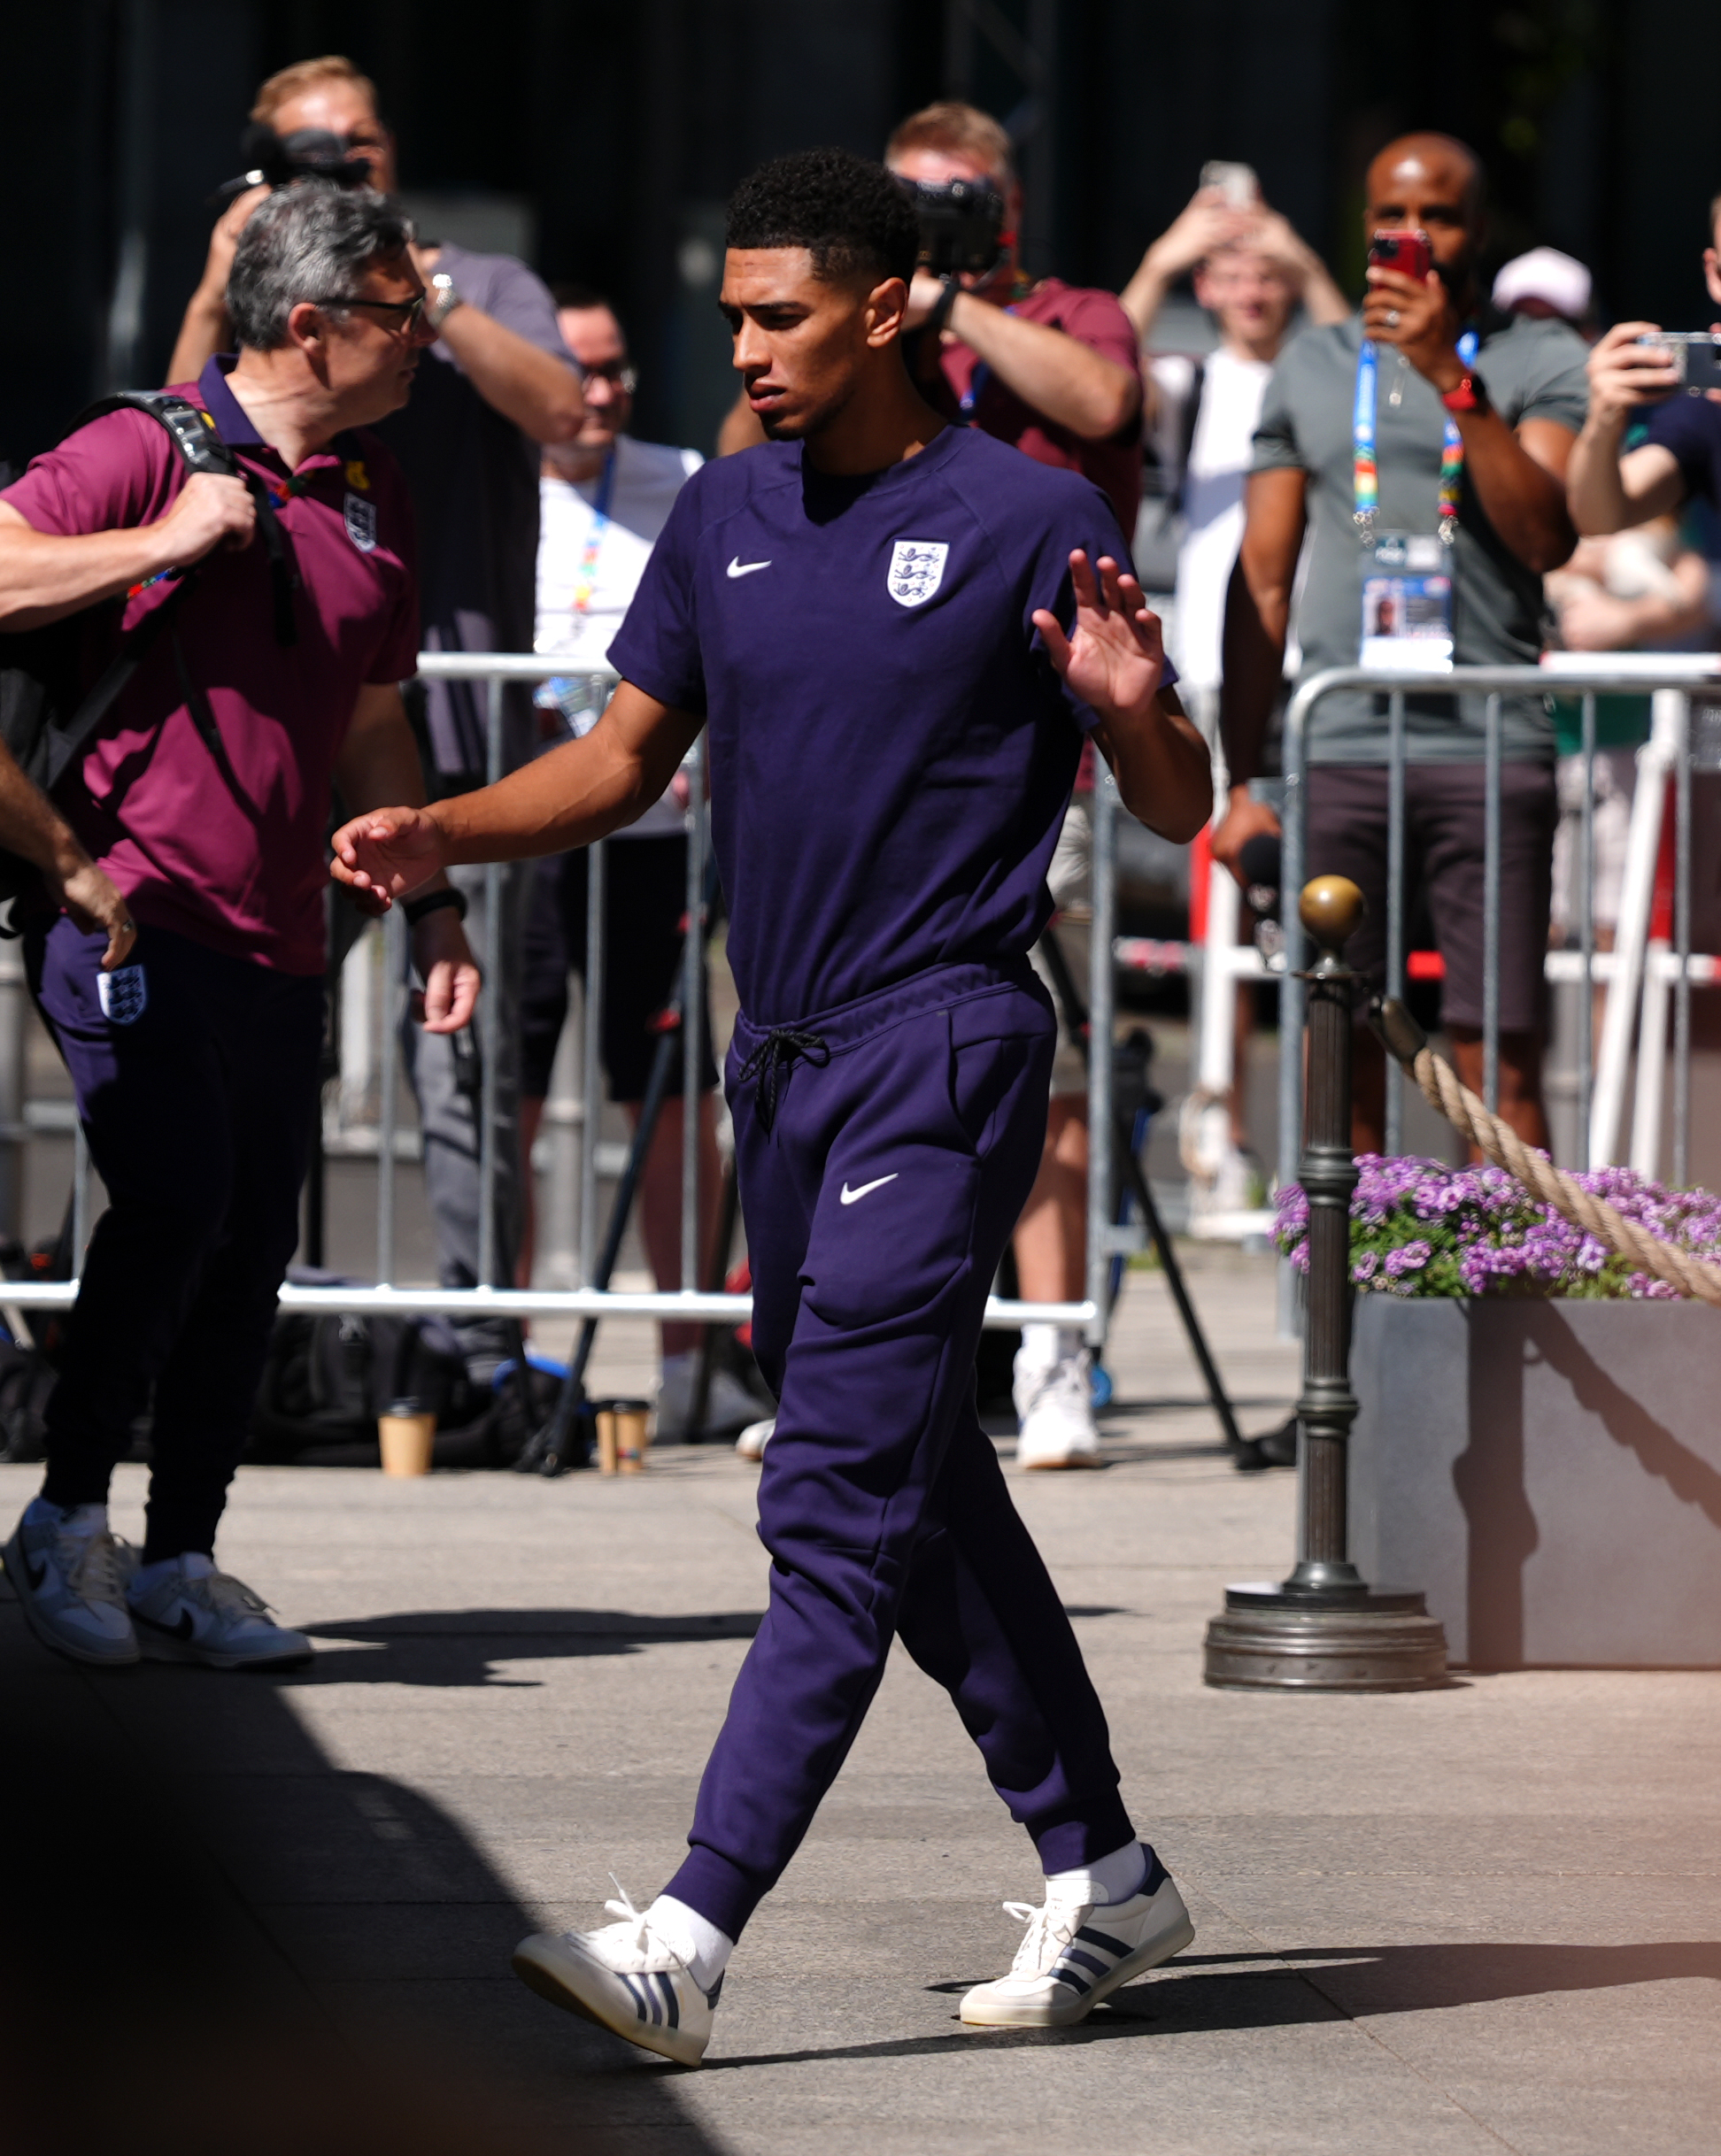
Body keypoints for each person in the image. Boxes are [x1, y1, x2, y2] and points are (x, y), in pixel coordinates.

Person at [331, 147, 1211, 2065]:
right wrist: (438, 833)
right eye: (730, 311)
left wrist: (1138, 704)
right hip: (784, 1059)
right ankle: (1108, 1873)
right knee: (917, 1488)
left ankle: (689, 1932)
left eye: (780, 314)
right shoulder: (724, 509)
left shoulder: (1025, 513)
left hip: (947, 1041)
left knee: (824, 1495)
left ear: (892, 306)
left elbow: (1177, 802)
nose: (743, 348)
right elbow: (626, 760)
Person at [0, 184, 478, 1670]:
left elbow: (378, 720)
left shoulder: (371, 487)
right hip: (126, 905)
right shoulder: (143, 444)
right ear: (311, 323)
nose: (428, 344)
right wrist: (157, 540)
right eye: (407, 317)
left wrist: (437, 892)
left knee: (255, 1232)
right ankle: (66, 1519)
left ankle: (183, 1553)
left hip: (287, 927)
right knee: (177, 1197)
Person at [167, 55, 583, 1363]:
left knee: (461, 1055)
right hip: (279, 753)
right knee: (247, 1059)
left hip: (445, 741)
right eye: (309, 155)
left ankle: (479, 1352)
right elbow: (171, 423)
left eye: (357, 149)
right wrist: (229, 272)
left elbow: (568, 416)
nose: (339, 170)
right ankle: (249, 1330)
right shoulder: (258, 291)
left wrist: (414, 292)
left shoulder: (477, 287)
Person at [1217, 133, 1587, 1151]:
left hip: (1489, 744)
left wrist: (1444, 374)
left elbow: (1545, 533)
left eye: (1440, 216)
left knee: (1500, 1046)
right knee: (1339, 1035)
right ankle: (1344, 1301)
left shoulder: (1540, 355)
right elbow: (1262, 578)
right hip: (1340, 747)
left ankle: (1511, 1291)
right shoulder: (1314, 360)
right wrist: (1242, 779)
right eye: (1393, 214)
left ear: (1480, 228)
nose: (1413, 236)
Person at [884, 99, 1146, 1466]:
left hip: (1045, 754)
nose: (932, 220)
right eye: (909, 198)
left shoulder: (1069, 311)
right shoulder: (868, 324)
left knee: (1035, 1060)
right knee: (869, 1055)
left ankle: (1053, 1359)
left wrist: (959, 302)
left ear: (1009, 210)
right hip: (889, 758)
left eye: (958, 197)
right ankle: (866, 1360)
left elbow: (1103, 404)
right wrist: (894, 314)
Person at [520, 285, 754, 1435]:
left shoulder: (681, 476)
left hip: (650, 835)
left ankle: (688, 1359)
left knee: (659, 1099)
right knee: (500, 1096)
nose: (600, 391)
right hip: (519, 831)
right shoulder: (494, 485)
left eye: (617, 369)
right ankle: (497, 1356)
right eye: (577, 369)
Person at [1123, 181, 1347, 1212]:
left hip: (1325, 661)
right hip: (1217, 667)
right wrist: (1169, 255)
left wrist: (1301, 252)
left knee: (1314, 908)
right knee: (1225, 905)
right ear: (1209, 289)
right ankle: (1224, 1131)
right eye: (1235, 274)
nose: (1255, 292)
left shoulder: (1325, 369)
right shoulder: (1190, 379)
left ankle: (1315, 1146)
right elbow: (1104, 368)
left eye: (1271, 278)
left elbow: (1379, 371)